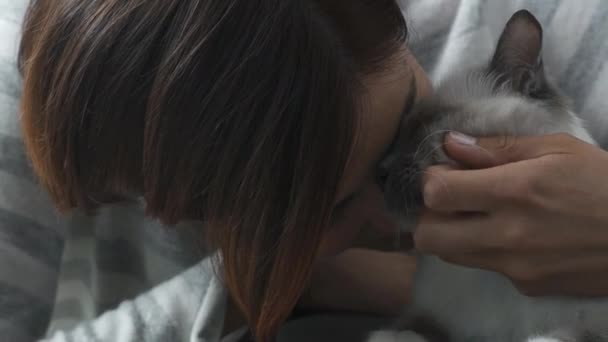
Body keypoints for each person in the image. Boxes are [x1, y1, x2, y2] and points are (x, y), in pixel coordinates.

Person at [2, 1, 608, 342]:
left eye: (401, 129)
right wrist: (276, 283)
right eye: (326, 210)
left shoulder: (576, 33)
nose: (383, 214)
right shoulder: (32, 107)